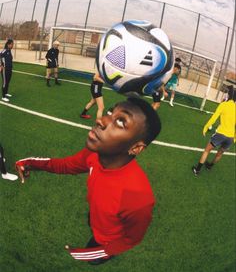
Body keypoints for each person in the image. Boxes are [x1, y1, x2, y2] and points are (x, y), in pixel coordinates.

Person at [15, 97, 161, 265]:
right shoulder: (94, 154)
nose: (101, 120)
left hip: (106, 239)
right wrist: (30, 163)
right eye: (110, 112)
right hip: (96, 216)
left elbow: (131, 239)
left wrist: (94, 253)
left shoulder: (138, 198)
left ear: (136, 148)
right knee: (92, 219)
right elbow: (66, 165)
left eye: (121, 122)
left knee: (94, 255)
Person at [192, 86, 236, 176]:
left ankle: (197, 170)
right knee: (220, 154)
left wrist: (206, 127)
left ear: (228, 95)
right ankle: (209, 166)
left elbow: (214, 117)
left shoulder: (224, 104)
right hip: (230, 137)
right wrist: (235, 137)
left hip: (221, 133)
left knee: (207, 150)